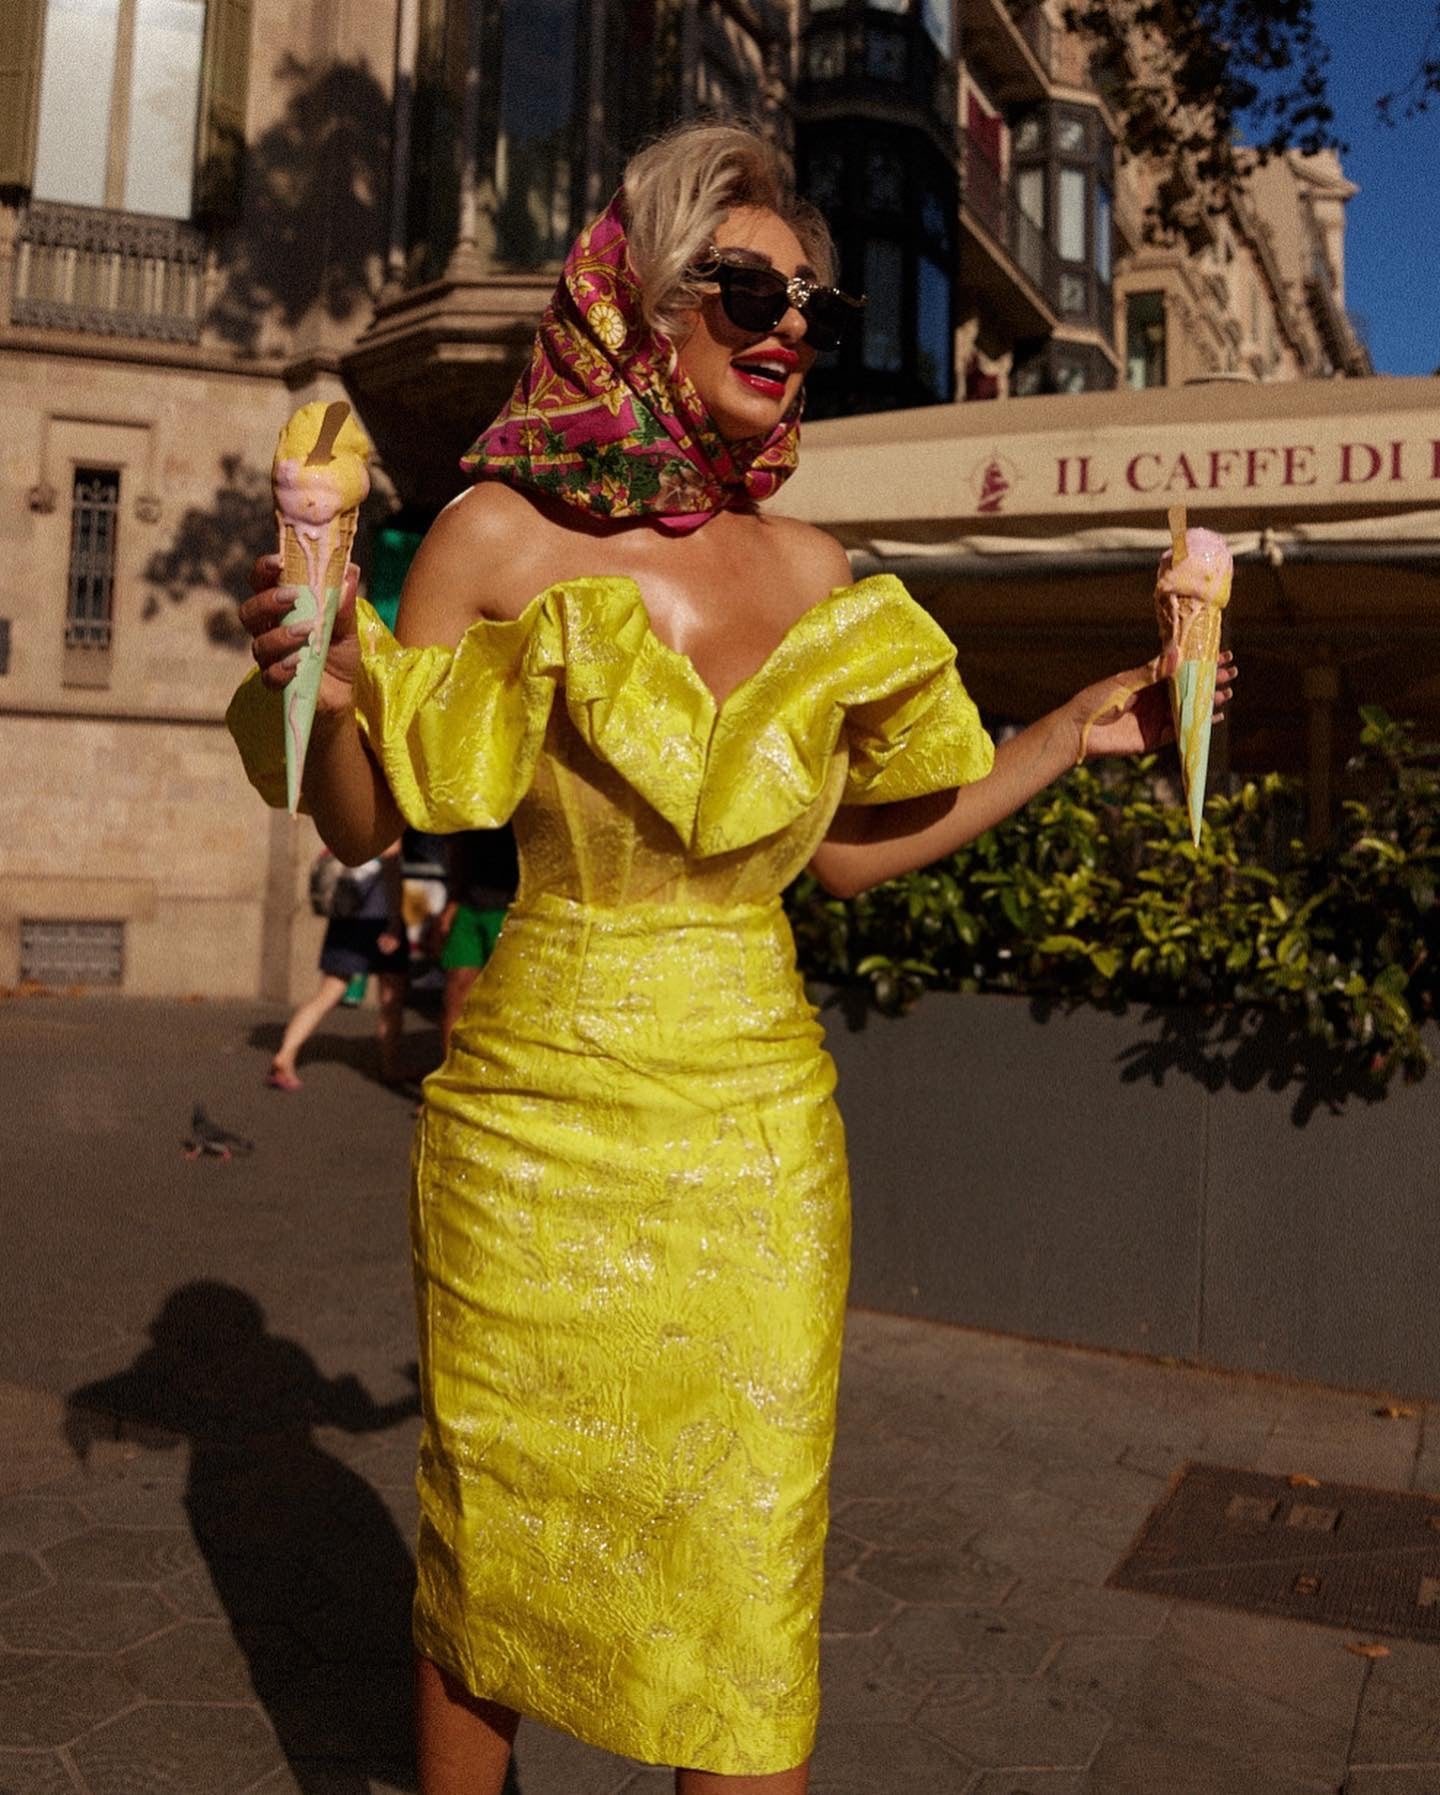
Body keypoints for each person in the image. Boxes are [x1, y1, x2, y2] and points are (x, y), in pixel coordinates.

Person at [230, 122, 1233, 1794]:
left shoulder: (820, 572)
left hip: (759, 1142)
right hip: (531, 1131)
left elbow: (839, 852)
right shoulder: (494, 537)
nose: (787, 328)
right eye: (749, 288)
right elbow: (361, 826)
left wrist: (1060, 732)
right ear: (640, 301)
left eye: (816, 310)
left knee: (745, 1574)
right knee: (499, 1546)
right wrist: (321, 692)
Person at [267, 839, 408, 1090]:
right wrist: (395, 923)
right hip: (378, 919)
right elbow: (391, 868)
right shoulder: (389, 819)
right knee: (391, 997)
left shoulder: (353, 814)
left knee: (328, 992)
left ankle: (286, 1053)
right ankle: (391, 1066)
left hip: (346, 915)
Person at [430, 827, 519, 1058]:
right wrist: (451, 903)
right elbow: (457, 852)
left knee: (504, 1001)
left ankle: (496, 1074)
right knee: (456, 991)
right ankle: (449, 1072)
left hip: (511, 909)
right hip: (468, 907)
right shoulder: (469, 804)